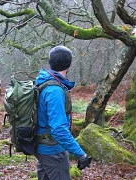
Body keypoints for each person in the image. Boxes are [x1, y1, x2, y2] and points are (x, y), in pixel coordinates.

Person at [34, 45, 91, 180]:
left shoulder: (45, 81)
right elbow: (58, 129)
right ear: (68, 65)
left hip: (42, 148)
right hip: (52, 151)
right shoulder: (54, 91)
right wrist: (80, 154)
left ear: (50, 62)